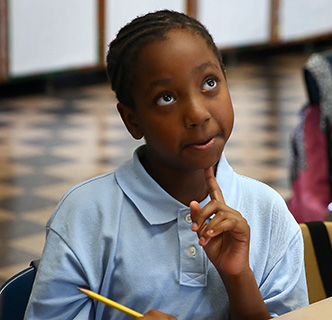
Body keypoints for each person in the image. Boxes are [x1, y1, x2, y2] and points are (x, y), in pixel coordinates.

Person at [24, 10, 308, 320]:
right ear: (132, 121)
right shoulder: (84, 217)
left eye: (210, 82)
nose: (198, 113)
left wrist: (239, 277)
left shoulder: (268, 211)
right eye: (166, 98)